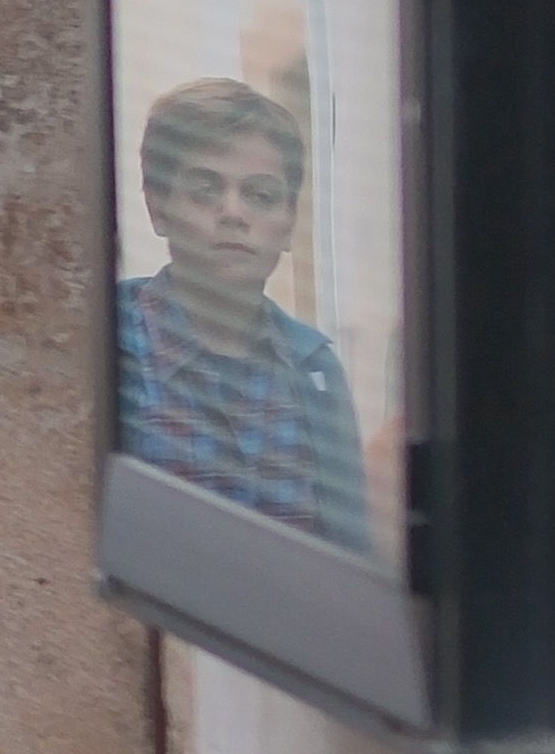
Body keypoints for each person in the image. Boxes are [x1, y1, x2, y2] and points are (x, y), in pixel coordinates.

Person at [111, 74, 378, 556]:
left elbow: (350, 559)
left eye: (260, 195)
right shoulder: (108, 343)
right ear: (158, 208)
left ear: (289, 223)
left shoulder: (315, 371)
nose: (233, 213)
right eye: (205, 189)